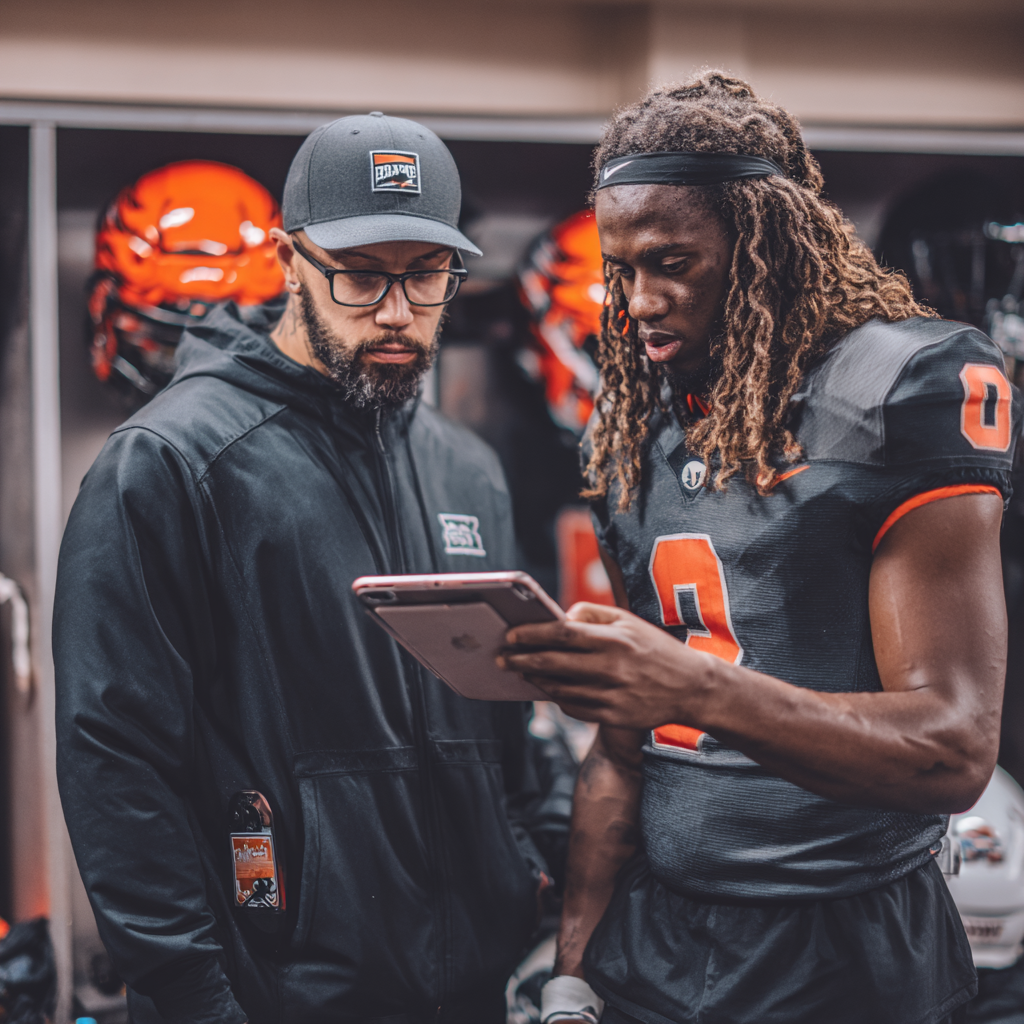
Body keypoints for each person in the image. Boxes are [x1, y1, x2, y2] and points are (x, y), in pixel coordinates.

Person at [499, 73, 1021, 1024]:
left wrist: (690, 688)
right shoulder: (631, 423)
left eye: (672, 264)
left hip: (845, 946)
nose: (638, 301)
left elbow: (951, 749)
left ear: (764, 247)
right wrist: (574, 967)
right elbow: (625, 742)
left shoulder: (900, 388)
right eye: (620, 269)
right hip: (662, 938)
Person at [55, 113, 552, 1024]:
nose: (397, 312)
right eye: (361, 276)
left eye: (426, 275)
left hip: (474, 990)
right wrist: (197, 999)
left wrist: (529, 876)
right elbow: (114, 766)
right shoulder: (172, 461)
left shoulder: (467, 468)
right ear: (289, 261)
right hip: (271, 995)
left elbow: (509, 729)